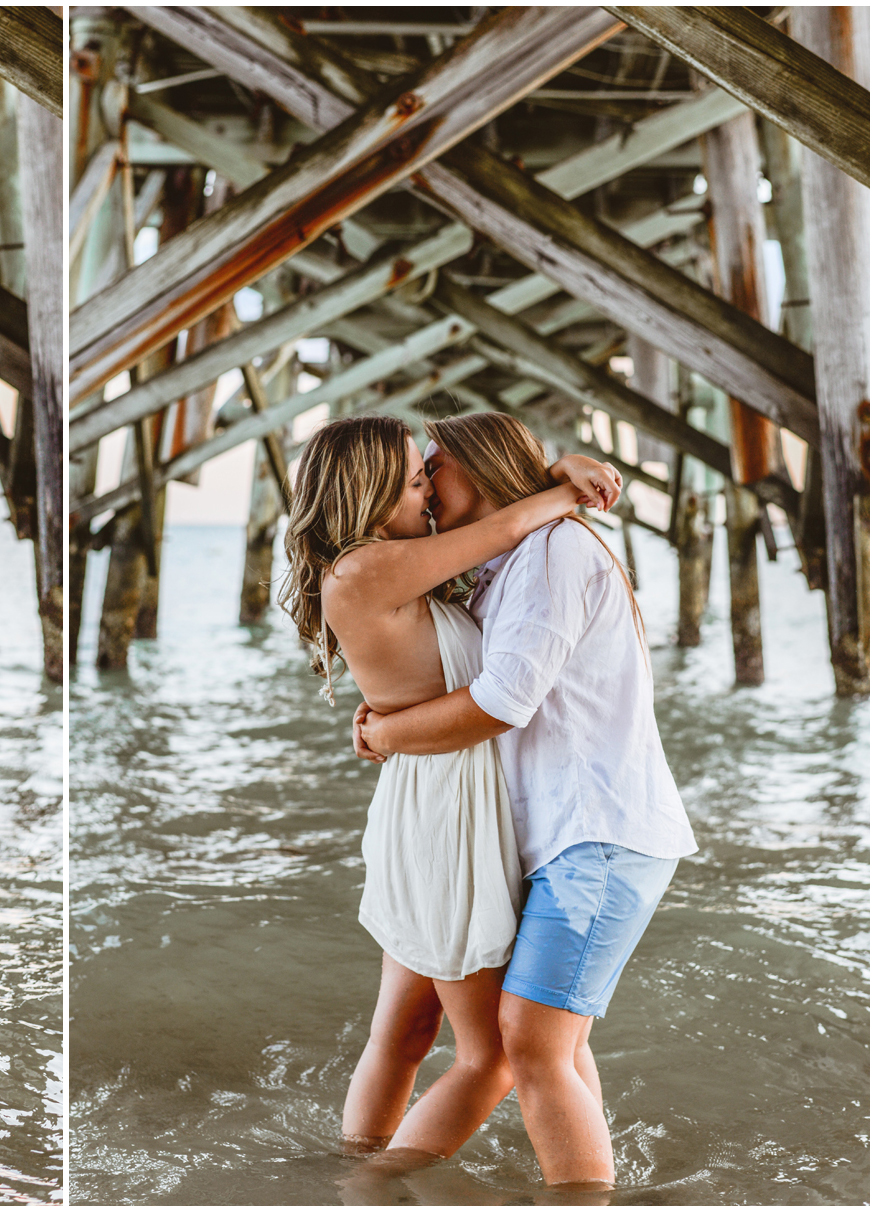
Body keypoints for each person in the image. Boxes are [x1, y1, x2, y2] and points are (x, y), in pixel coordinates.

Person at [353, 412, 697, 1189]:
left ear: (476, 468)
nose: (422, 482)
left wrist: (389, 733)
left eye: (432, 465)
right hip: (556, 836)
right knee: (558, 1046)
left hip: (596, 834)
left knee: (528, 1045)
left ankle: (367, 1189)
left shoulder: (551, 551)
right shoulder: (503, 558)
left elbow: (502, 699)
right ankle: (587, 1184)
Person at [279, 414, 623, 1165]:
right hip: (446, 815)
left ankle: (355, 1163)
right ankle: (377, 1188)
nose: (427, 489)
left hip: (430, 800)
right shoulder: (365, 568)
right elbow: (503, 530)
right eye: (412, 479)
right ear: (368, 494)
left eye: (431, 471)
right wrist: (562, 479)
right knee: (492, 1055)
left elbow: (494, 554)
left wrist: (546, 473)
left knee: (401, 1032)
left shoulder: (393, 566)